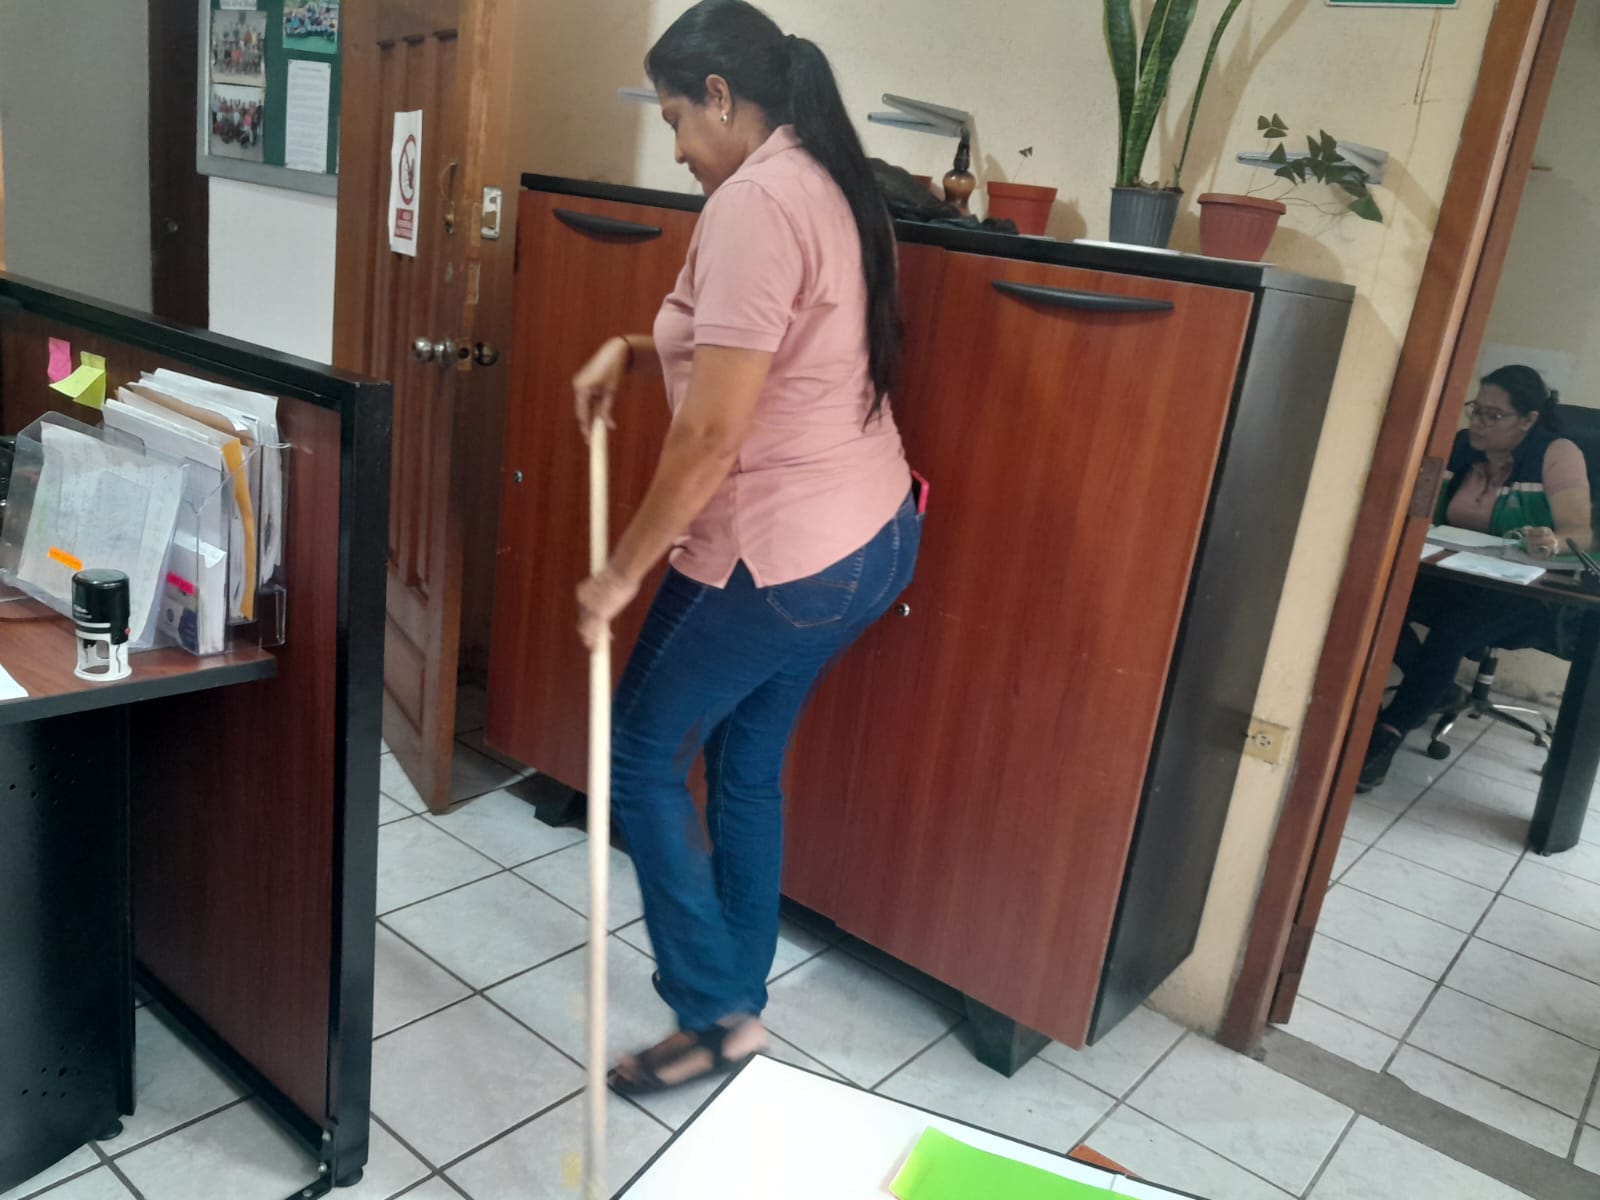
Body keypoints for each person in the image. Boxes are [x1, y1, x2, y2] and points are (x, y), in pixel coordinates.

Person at [568, 0, 920, 1094]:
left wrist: (617, 575)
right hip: (871, 538)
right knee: (745, 762)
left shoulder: (755, 203)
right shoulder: (822, 179)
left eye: (676, 116)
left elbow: (714, 432)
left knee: (636, 758)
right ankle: (738, 997)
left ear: (721, 96)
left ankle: (716, 1013)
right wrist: (632, 348)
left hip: (783, 558)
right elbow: (765, 348)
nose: (675, 146)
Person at [1359, 365, 1592, 790]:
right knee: (1372, 600)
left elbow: (1579, 531)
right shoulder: (1462, 447)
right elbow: (1419, 508)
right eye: (1476, 410)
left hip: (1525, 590)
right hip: (1456, 574)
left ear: (1528, 420)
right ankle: (1435, 688)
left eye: (1493, 415)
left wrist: (1552, 541)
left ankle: (1388, 733)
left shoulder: (1557, 453)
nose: (1479, 423)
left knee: (1452, 633)